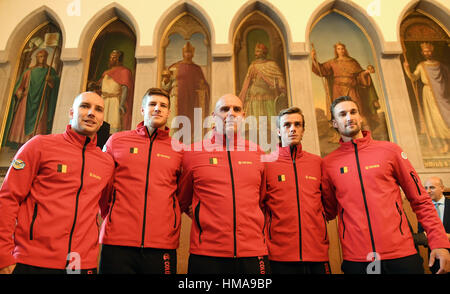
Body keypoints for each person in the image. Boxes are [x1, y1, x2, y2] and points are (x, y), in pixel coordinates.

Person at [321, 95, 450, 274]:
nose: (349, 117)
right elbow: (328, 210)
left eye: (353, 112)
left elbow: (421, 200)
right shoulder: (328, 163)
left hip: (401, 255)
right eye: (342, 114)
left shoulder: (390, 151)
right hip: (357, 259)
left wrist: (439, 242)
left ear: (360, 116)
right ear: (334, 123)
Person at [0, 92, 114, 274]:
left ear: (102, 121)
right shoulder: (39, 146)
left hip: (81, 264)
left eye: (98, 109)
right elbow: (7, 199)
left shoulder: (106, 163)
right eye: (85, 106)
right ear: (71, 113)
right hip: (32, 260)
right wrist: (3, 255)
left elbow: (106, 207)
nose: (91, 113)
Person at [178, 93, 269, 274]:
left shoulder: (257, 153)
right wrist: (203, 215)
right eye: (224, 109)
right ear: (213, 116)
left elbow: (262, 200)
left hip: (252, 252)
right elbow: (183, 199)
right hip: (207, 253)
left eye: (236, 109)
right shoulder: (193, 153)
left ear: (244, 116)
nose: (231, 113)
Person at [98, 88, 183, 274]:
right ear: (143, 109)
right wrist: (111, 215)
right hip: (117, 241)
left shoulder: (179, 149)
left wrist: (172, 221)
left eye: (163, 106)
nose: (157, 109)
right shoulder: (117, 141)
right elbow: (103, 186)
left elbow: (182, 195)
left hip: (162, 243)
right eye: (152, 104)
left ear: (169, 112)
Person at [263, 107, 330, 274]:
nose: (292, 128)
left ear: (303, 130)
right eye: (287, 125)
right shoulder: (266, 164)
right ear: (278, 131)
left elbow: (329, 205)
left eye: (297, 124)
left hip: (317, 253)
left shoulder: (317, 163)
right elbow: (259, 205)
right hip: (279, 256)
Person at [311, 42, 380, 130]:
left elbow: (359, 76)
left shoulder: (352, 62)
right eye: (338, 49)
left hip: (352, 89)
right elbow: (322, 70)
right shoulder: (332, 62)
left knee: (359, 110)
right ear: (336, 51)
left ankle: (367, 133)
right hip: (338, 89)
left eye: (342, 48)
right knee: (341, 111)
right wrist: (314, 59)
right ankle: (343, 135)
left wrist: (366, 72)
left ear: (345, 50)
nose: (341, 51)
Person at [3, 49, 60, 147]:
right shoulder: (28, 71)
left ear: (46, 58)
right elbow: (19, 86)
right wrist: (19, 92)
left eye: (44, 56)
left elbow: (57, 83)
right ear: (36, 58)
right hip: (26, 100)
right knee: (22, 119)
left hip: (41, 102)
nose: (42, 58)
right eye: (40, 56)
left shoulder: (50, 71)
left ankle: (35, 142)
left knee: (40, 121)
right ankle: (20, 141)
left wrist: (51, 79)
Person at [403, 42, 450, 153]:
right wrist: (406, 69)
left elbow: (447, 77)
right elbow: (413, 78)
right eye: (425, 51)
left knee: (444, 115)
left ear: (432, 52)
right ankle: (444, 144)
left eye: (429, 51)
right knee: (434, 118)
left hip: (441, 93)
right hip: (429, 93)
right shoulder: (421, 66)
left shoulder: (440, 65)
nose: (427, 53)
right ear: (422, 53)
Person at [163, 41, 210, 137]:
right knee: (174, 124)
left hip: (192, 102)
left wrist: (203, 87)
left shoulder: (196, 69)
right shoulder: (174, 67)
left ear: (192, 54)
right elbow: (165, 88)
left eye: (189, 53)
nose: (187, 54)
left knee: (190, 125)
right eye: (186, 52)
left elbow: (204, 86)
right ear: (183, 53)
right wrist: (166, 80)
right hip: (176, 99)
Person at [239, 43, 287, 120]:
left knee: (270, 123)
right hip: (254, 98)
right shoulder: (253, 66)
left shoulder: (272, 65)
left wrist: (275, 85)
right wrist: (241, 99)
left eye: (258, 51)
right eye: (255, 51)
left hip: (268, 98)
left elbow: (280, 82)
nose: (255, 53)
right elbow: (246, 83)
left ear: (263, 52)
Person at [417, 177, 450, 273]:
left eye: (432, 187)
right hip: (435, 260)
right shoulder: (423, 210)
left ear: (442, 188)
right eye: (426, 188)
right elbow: (422, 235)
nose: (428, 191)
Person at [97, 49, 134, 133]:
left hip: (114, 102)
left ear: (117, 59)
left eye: (112, 57)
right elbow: (100, 86)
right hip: (104, 101)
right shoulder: (106, 73)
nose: (110, 60)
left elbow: (125, 89)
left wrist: (121, 104)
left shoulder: (124, 72)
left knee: (112, 128)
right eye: (110, 57)